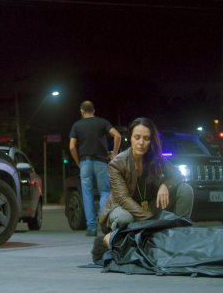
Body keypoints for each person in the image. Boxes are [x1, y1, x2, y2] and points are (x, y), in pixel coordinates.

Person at [97, 117, 194, 240]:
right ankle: (116, 238)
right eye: (137, 137)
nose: (141, 142)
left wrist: (166, 186)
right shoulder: (117, 163)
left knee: (185, 190)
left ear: (151, 141)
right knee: (125, 218)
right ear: (130, 138)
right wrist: (150, 220)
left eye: (146, 138)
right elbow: (123, 198)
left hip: (149, 205)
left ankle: (180, 237)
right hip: (123, 208)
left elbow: (178, 175)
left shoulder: (155, 158)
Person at [69, 100, 122, 236]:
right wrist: (114, 153)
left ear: (81, 111)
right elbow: (117, 135)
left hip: (85, 163)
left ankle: (91, 228)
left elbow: (71, 146)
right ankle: (102, 218)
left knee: (87, 195)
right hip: (101, 162)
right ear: (94, 110)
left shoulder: (77, 125)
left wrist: (77, 162)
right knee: (105, 191)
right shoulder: (102, 122)